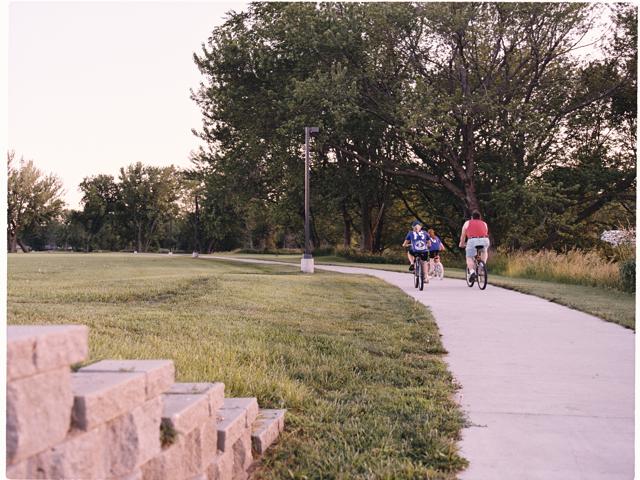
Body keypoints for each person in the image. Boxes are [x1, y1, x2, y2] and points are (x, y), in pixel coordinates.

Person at [459, 211, 490, 280]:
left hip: (472, 240)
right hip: (485, 239)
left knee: (469, 257)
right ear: (480, 218)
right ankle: (482, 265)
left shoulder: (467, 223)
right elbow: (485, 232)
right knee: (484, 251)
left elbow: (463, 235)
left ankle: (472, 272)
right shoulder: (484, 223)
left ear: (472, 217)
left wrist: (461, 243)